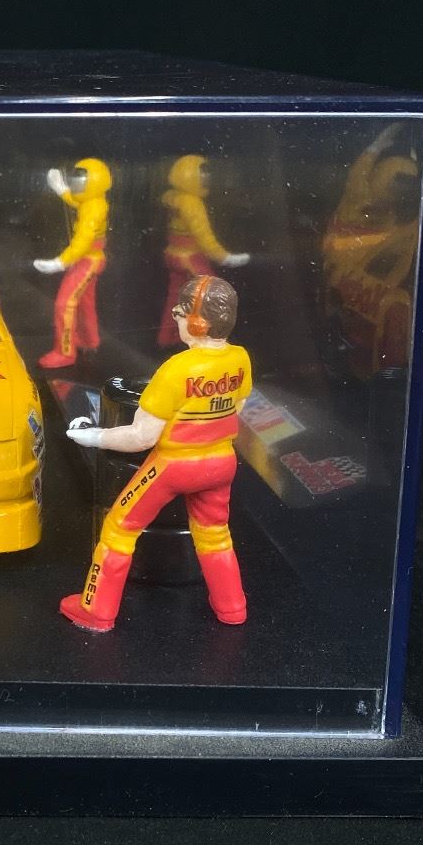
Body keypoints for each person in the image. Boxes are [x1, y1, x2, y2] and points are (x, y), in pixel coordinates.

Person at [60, 275, 251, 632]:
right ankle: (233, 608)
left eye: (180, 313)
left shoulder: (176, 369)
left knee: (118, 528)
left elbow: (140, 438)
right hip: (222, 462)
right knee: (215, 534)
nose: (176, 318)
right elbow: (237, 407)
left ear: (197, 322)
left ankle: (97, 611)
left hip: (175, 466)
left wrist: (94, 436)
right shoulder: (240, 359)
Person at [157, 155, 249, 346]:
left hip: (173, 255)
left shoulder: (173, 198)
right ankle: (212, 340)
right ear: (190, 176)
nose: (206, 178)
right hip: (189, 257)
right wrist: (224, 257)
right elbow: (204, 236)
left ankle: (167, 338)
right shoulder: (191, 203)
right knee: (213, 295)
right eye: (202, 174)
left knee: (176, 298)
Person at [33, 158, 112, 368]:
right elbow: (77, 201)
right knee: (85, 302)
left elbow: (82, 241)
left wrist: (60, 262)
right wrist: (61, 189)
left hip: (88, 260)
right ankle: (89, 340)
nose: (76, 182)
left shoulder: (94, 208)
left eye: (81, 178)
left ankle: (65, 352)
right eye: (76, 177)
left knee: (64, 304)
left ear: (93, 181)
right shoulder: (92, 200)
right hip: (88, 259)